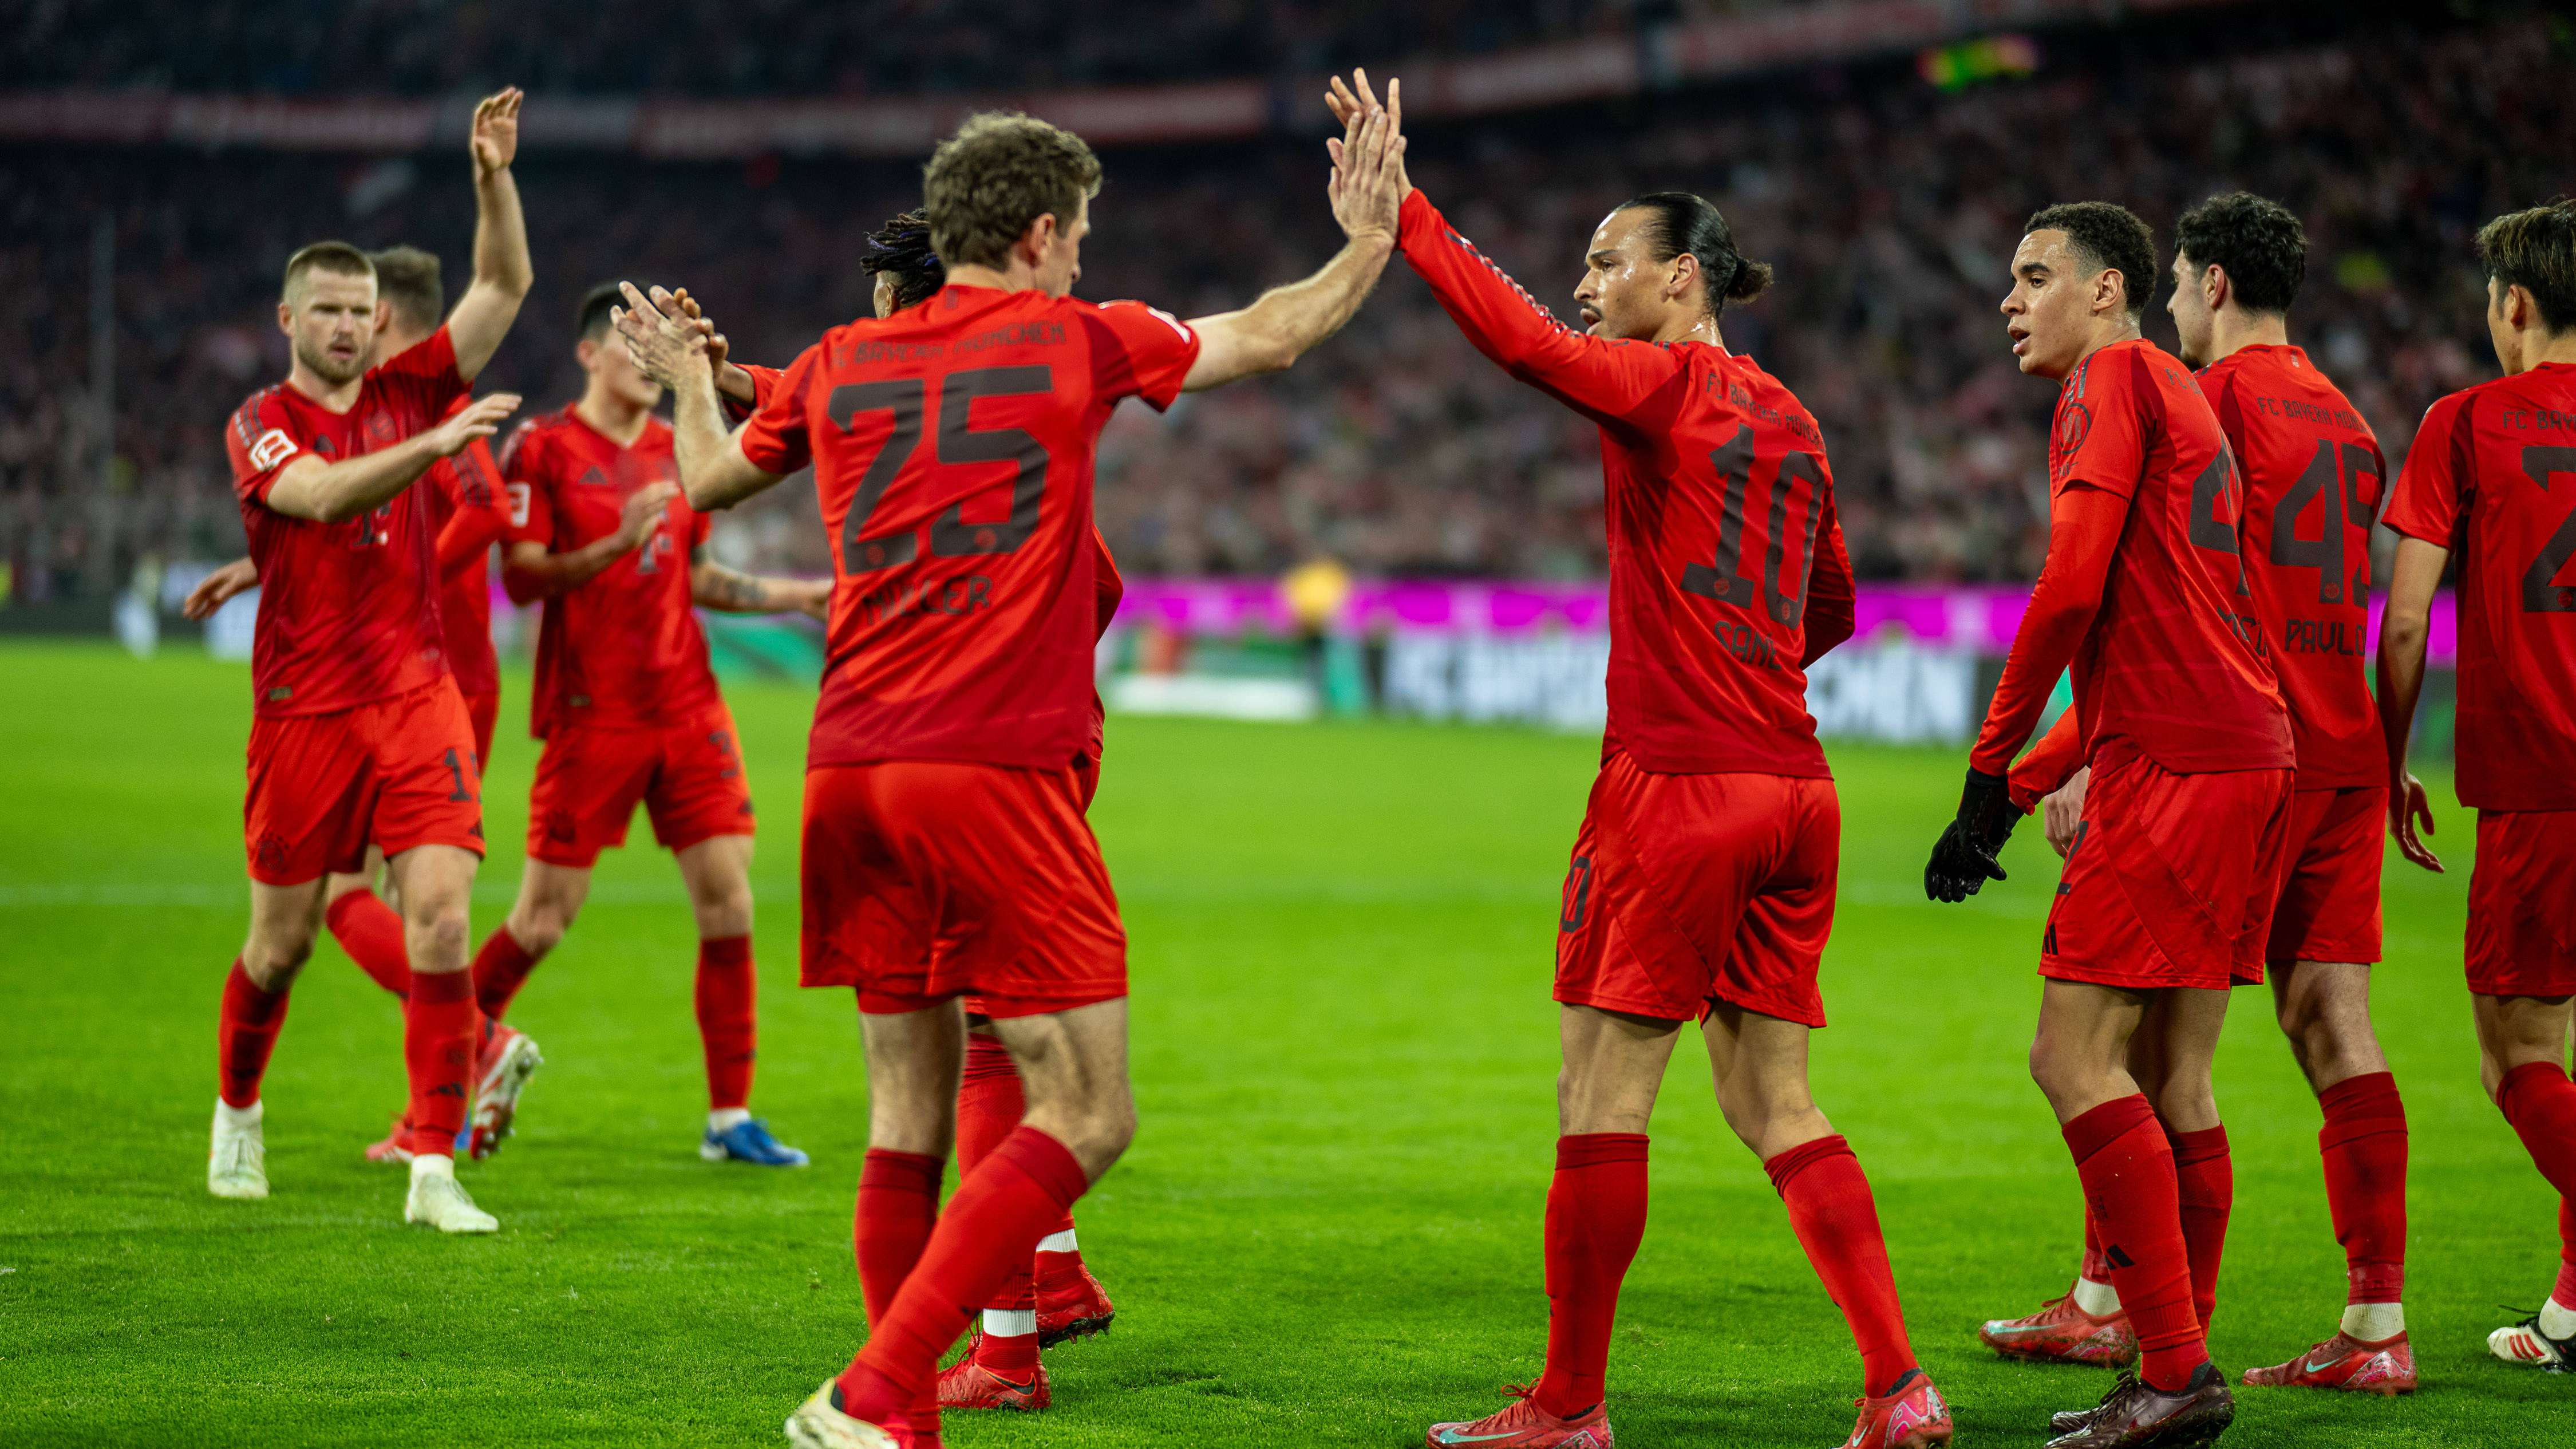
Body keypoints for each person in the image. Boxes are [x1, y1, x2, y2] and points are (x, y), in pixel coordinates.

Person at [612, 93, 1411, 1449]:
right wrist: (1370, 241)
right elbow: (1274, 331)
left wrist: (695, 379)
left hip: (847, 766)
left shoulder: (839, 361)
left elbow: (697, 481)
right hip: (989, 767)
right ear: (1039, 235)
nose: (1086, 258)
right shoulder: (1076, 340)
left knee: (903, 1114)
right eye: (1081, 234)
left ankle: (901, 1421)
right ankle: (880, 1383)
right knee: (1088, 1110)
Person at [1330, 77, 1947, 1449]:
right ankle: (1899, 1386)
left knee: (1600, 1094)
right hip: (1796, 786)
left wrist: (1410, 220)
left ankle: (1568, 1406)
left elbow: (1528, 350)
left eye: (1609, 260)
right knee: (1773, 1098)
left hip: (1677, 789)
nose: (1587, 280)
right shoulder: (1794, 420)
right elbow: (1833, 607)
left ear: (1682, 276)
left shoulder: (1667, 389)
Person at [675, 210, 1124, 1412]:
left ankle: (988, 1356)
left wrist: (708, 388)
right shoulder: (1018, 405)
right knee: (1003, 1045)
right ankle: (1051, 1283)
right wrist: (740, 375)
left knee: (971, 1061)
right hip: (1030, 742)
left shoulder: (919, 431)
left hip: (959, 750)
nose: (870, 326)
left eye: (883, 303)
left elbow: (818, 420)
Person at [1980, 192, 2416, 1397]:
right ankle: (2376, 1319)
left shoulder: (2189, 396)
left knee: (2145, 1054)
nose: (2173, 310)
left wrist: (2075, 763)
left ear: (2209, 285)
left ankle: (2135, 1323)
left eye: (2176, 287)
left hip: (2218, 747)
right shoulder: (2350, 424)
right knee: (2336, 1028)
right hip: (2339, 754)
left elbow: (2204, 608)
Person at [1926, 200, 2295, 1448]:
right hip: (2242, 751)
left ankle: (2175, 1370)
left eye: (2034, 277)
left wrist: (1984, 767)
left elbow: (2072, 587)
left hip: (2185, 768)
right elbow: (2161, 642)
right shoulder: (2187, 400)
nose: (2010, 301)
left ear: (2107, 290)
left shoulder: (2108, 382)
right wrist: (2019, 792)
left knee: (2072, 1058)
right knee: (2170, 1078)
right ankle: (2161, 1341)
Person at [208, 88, 532, 1233]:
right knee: (281, 942)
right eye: (330, 310)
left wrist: (492, 177)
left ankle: (433, 1165)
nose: (351, 326)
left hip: (416, 692)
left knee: (441, 917)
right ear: (290, 318)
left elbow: (502, 289)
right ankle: (239, 1108)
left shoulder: (406, 387)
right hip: (304, 712)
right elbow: (318, 495)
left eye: (365, 311)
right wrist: (435, 445)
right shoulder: (259, 422)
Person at [450, 282, 831, 1167]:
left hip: (688, 709)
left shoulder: (678, 448)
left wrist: (801, 596)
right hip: (594, 715)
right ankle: (452, 1061)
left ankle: (730, 1118)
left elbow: (701, 579)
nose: (653, 365)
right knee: (544, 919)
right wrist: (613, 546)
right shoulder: (542, 449)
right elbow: (526, 579)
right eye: (635, 346)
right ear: (590, 353)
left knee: (730, 903)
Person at [2376, 198, 2576, 1372]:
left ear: (2514, 305)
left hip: (2543, 781)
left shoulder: (2469, 421)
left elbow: (2407, 624)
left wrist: (2387, 756)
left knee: (2521, 1060)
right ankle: (2566, 1314)